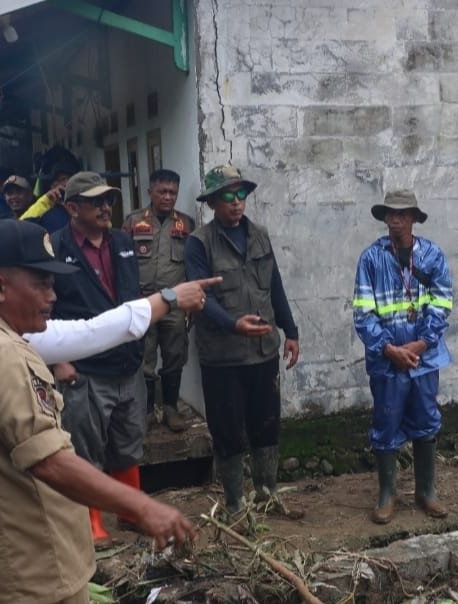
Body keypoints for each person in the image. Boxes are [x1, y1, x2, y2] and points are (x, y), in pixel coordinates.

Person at [0, 219, 195, 603]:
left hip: (1, 556)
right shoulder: (2, 355)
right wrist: (141, 505)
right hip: (33, 564)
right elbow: (49, 461)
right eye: (41, 284)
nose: (52, 296)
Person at [185, 165, 302, 518]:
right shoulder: (199, 243)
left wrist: (291, 331)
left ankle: (267, 494)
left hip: (264, 350)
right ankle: (236, 505)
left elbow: (275, 285)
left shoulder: (260, 235)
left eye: (241, 195)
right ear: (212, 203)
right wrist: (234, 324)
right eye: (227, 196)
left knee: (267, 426)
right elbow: (200, 299)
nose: (237, 203)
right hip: (223, 357)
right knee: (228, 431)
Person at [50, 171, 146, 542]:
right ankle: (90, 522)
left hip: (127, 362)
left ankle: (129, 508)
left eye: (108, 200)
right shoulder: (56, 248)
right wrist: (60, 360)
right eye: (95, 202)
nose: (106, 207)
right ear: (72, 208)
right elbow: (49, 306)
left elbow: (131, 294)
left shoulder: (122, 240)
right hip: (85, 367)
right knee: (85, 443)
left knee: (129, 438)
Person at [352, 190, 453, 524]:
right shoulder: (370, 259)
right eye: (390, 214)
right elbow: (364, 313)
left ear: (413, 218)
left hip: (424, 359)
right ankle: (387, 494)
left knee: (426, 420)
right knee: (386, 422)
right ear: (384, 218)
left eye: (403, 214)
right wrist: (389, 349)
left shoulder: (432, 256)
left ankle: (426, 491)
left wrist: (422, 344)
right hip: (387, 361)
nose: (396, 220)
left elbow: (442, 302)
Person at [122, 169, 194, 432]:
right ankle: (149, 410)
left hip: (175, 305)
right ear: (150, 191)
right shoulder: (133, 222)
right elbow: (124, 263)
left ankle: (171, 409)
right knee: (145, 358)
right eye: (162, 191)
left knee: (175, 356)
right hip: (143, 304)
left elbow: (193, 264)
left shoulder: (186, 225)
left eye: (172, 192)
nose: (167, 197)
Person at [21, 161, 77, 232]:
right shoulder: (46, 208)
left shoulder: (84, 205)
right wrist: (46, 200)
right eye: (53, 182)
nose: (57, 184)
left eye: (62, 179)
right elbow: (21, 226)